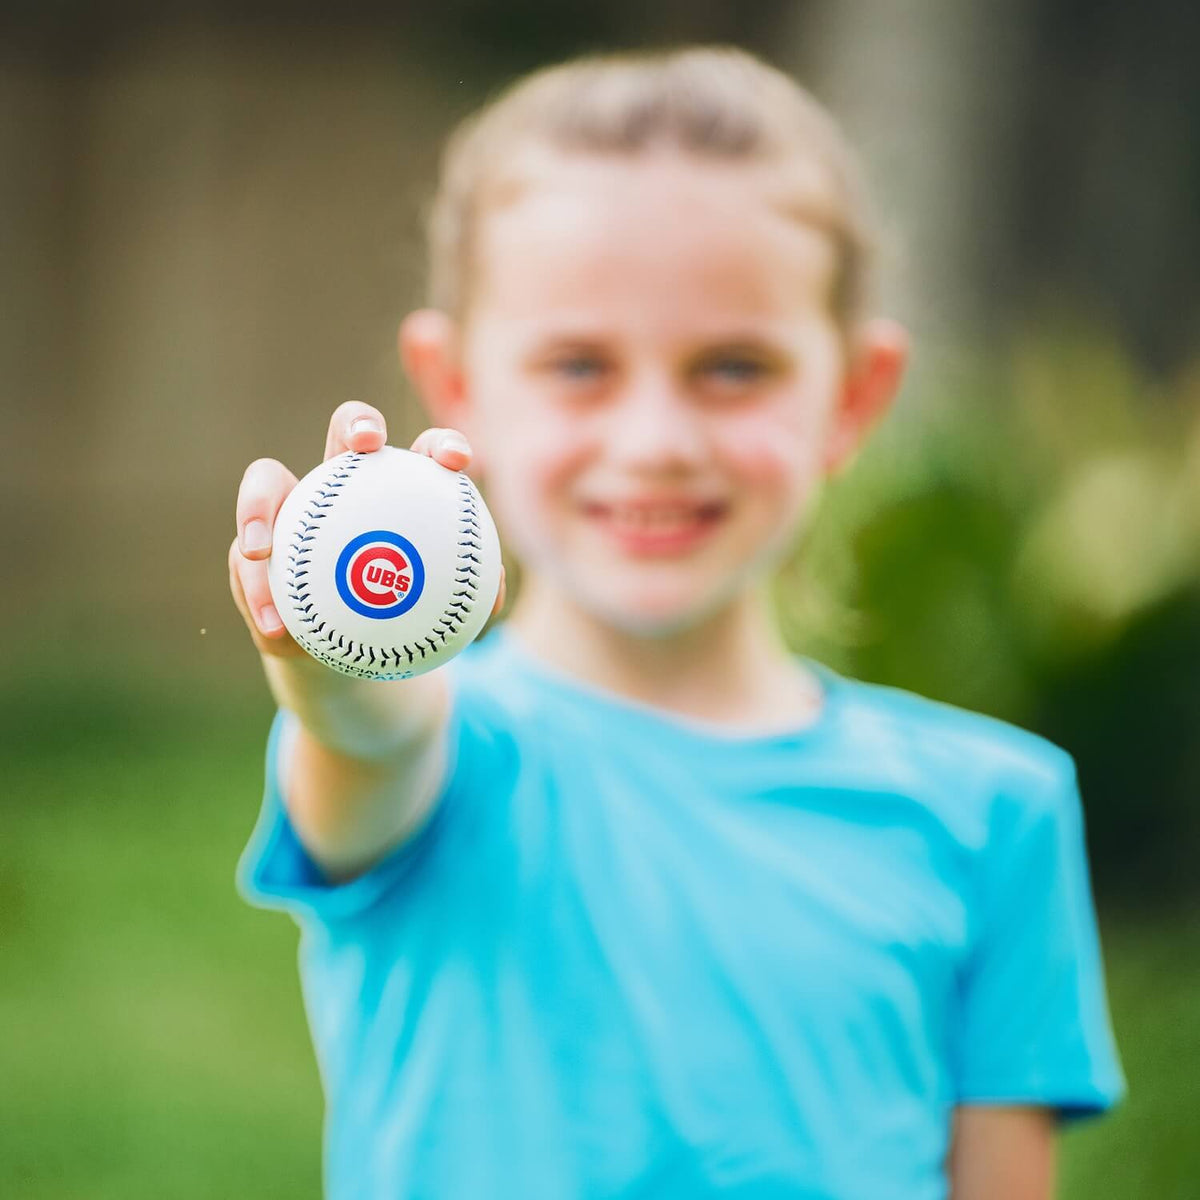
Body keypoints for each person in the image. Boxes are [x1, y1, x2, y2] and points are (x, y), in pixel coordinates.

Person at [227, 45, 1125, 1200]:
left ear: (853, 396)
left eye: (733, 367)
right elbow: (369, 731)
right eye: (580, 364)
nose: (656, 438)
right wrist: (330, 652)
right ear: (455, 389)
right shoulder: (450, 760)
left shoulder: (997, 813)